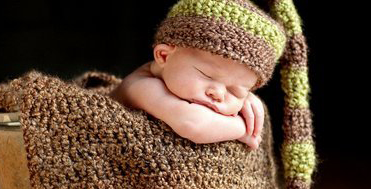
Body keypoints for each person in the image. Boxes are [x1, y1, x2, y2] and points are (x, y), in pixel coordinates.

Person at [110, 43, 264, 149]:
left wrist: (245, 98)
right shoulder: (142, 86)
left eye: (235, 90)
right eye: (207, 75)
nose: (218, 94)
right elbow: (192, 124)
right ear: (164, 56)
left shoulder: (178, 80)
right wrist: (244, 128)